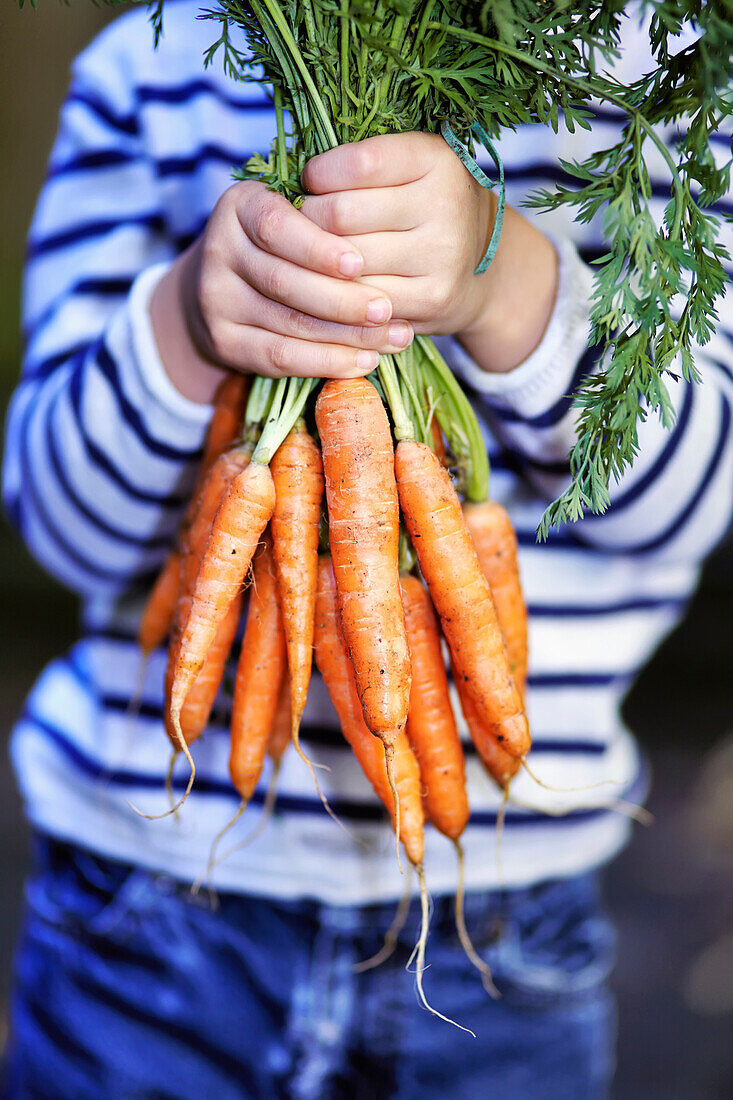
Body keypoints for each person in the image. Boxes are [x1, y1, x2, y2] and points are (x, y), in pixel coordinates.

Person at [2, 3, 731, 1097]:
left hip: (506, 913)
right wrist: (188, 323)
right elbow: (63, 527)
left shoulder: (666, 78)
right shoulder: (146, 75)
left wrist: (506, 281)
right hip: (142, 909)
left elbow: (692, 503)